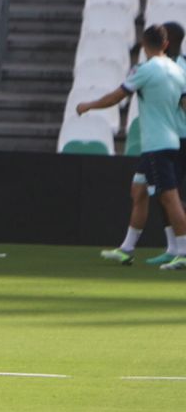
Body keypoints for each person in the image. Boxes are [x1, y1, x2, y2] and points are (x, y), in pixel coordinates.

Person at [78, 23, 186, 270]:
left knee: (170, 198)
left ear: (144, 45)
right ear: (166, 44)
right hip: (166, 141)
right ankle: (127, 249)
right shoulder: (178, 71)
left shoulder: (145, 69)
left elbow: (117, 96)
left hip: (158, 143)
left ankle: (183, 250)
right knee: (139, 190)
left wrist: (89, 105)